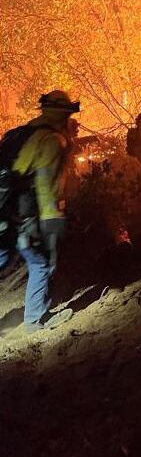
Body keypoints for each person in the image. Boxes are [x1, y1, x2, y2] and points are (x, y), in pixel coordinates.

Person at [0, 90, 78, 333]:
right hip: (26, 213)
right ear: (63, 116)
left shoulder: (22, 134)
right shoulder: (53, 140)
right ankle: (33, 321)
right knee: (42, 263)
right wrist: (51, 218)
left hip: (4, 211)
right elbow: (45, 181)